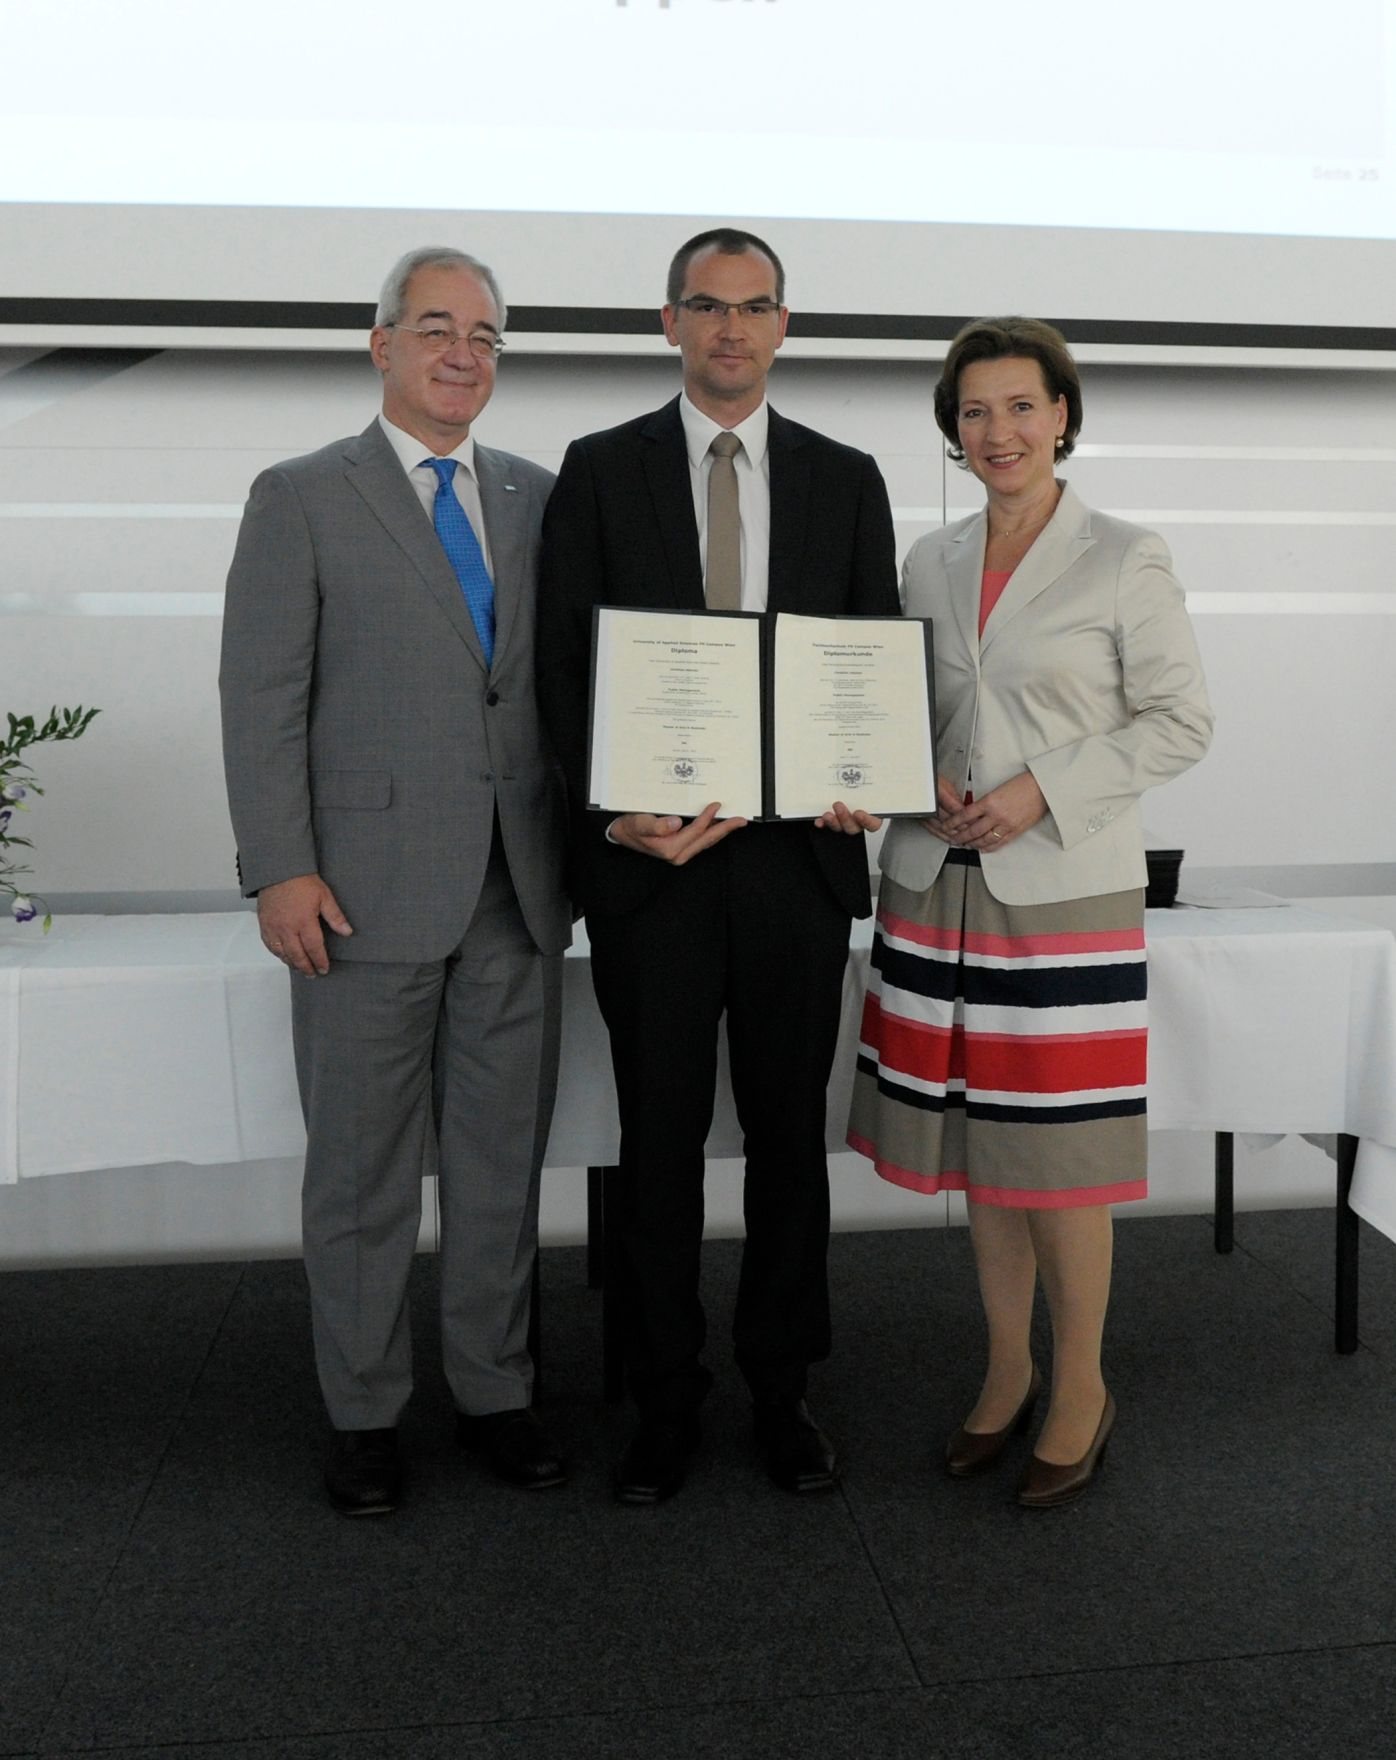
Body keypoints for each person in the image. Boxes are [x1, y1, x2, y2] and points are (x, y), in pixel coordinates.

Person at [537, 227, 898, 1503]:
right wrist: (609, 818)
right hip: (658, 873)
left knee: (792, 1142)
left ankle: (784, 1388)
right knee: (659, 1147)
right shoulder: (597, 470)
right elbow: (563, 675)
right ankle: (662, 1397)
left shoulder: (847, 477)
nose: (731, 328)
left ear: (784, 326)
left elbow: (868, 654)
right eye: (707, 305)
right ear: (669, 321)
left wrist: (872, 776)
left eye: (754, 307)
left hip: (799, 869)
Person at [219, 246, 570, 1516]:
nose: (462, 352)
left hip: (517, 890)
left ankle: (494, 1390)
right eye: (435, 328)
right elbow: (260, 697)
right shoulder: (302, 494)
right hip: (358, 894)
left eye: (484, 333)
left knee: (498, 1164)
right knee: (360, 1173)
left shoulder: (536, 495)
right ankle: (364, 1413)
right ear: (380, 345)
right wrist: (281, 869)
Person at [848, 317, 1213, 1507]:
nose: (996, 431)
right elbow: (901, 709)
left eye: (1019, 405)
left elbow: (1177, 721)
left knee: (1058, 1160)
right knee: (982, 1151)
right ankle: (1005, 1371)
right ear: (950, 430)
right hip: (933, 884)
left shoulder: (1124, 554)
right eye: (972, 411)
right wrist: (899, 781)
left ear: (1062, 411)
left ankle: (1081, 1386)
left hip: (1059, 888)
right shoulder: (927, 559)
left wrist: (1034, 789)